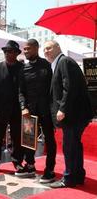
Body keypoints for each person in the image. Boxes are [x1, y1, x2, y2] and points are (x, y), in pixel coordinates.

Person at [43, 40, 93, 188]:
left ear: (58, 48)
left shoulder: (64, 61)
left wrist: (62, 109)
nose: (46, 51)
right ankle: (77, 176)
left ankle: (69, 178)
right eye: (44, 49)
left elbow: (69, 87)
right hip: (76, 114)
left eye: (49, 48)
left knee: (70, 147)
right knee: (74, 146)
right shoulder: (61, 63)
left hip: (72, 115)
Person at [18, 39, 57, 183]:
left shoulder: (48, 66)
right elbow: (20, 91)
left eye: (28, 49)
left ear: (36, 48)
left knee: (49, 140)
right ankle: (30, 166)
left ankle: (50, 169)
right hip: (29, 111)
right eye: (24, 49)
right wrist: (23, 107)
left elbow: (54, 89)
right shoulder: (23, 69)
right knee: (28, 140)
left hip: (46, 111)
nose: (25, 51)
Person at [0, 40, 24, 174]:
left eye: (11, 52)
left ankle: (17, 162)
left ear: (16, 53)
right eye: (6, 51)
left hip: (17, 110)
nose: (8, 54)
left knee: (16, 138)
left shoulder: (22, 68)